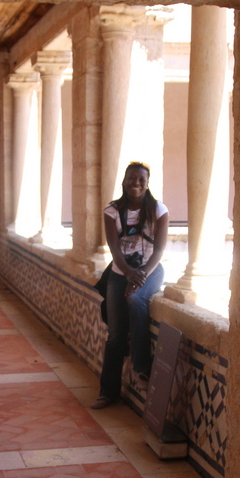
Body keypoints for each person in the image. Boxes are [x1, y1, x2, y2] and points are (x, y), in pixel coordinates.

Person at [91, 161, 169, 409]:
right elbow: (114, 248)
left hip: (151, 271)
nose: (136, 183)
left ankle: (141, 367)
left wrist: (142, 273)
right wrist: (128, 273)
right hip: (119, 272)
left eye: (141, 179)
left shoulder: (158, 210)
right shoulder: (112, 211)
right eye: (132, 178)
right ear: (124, 181)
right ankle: (108, 392)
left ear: (147, 183)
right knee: (115, 335)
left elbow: (159, 249)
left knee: (136, 299)